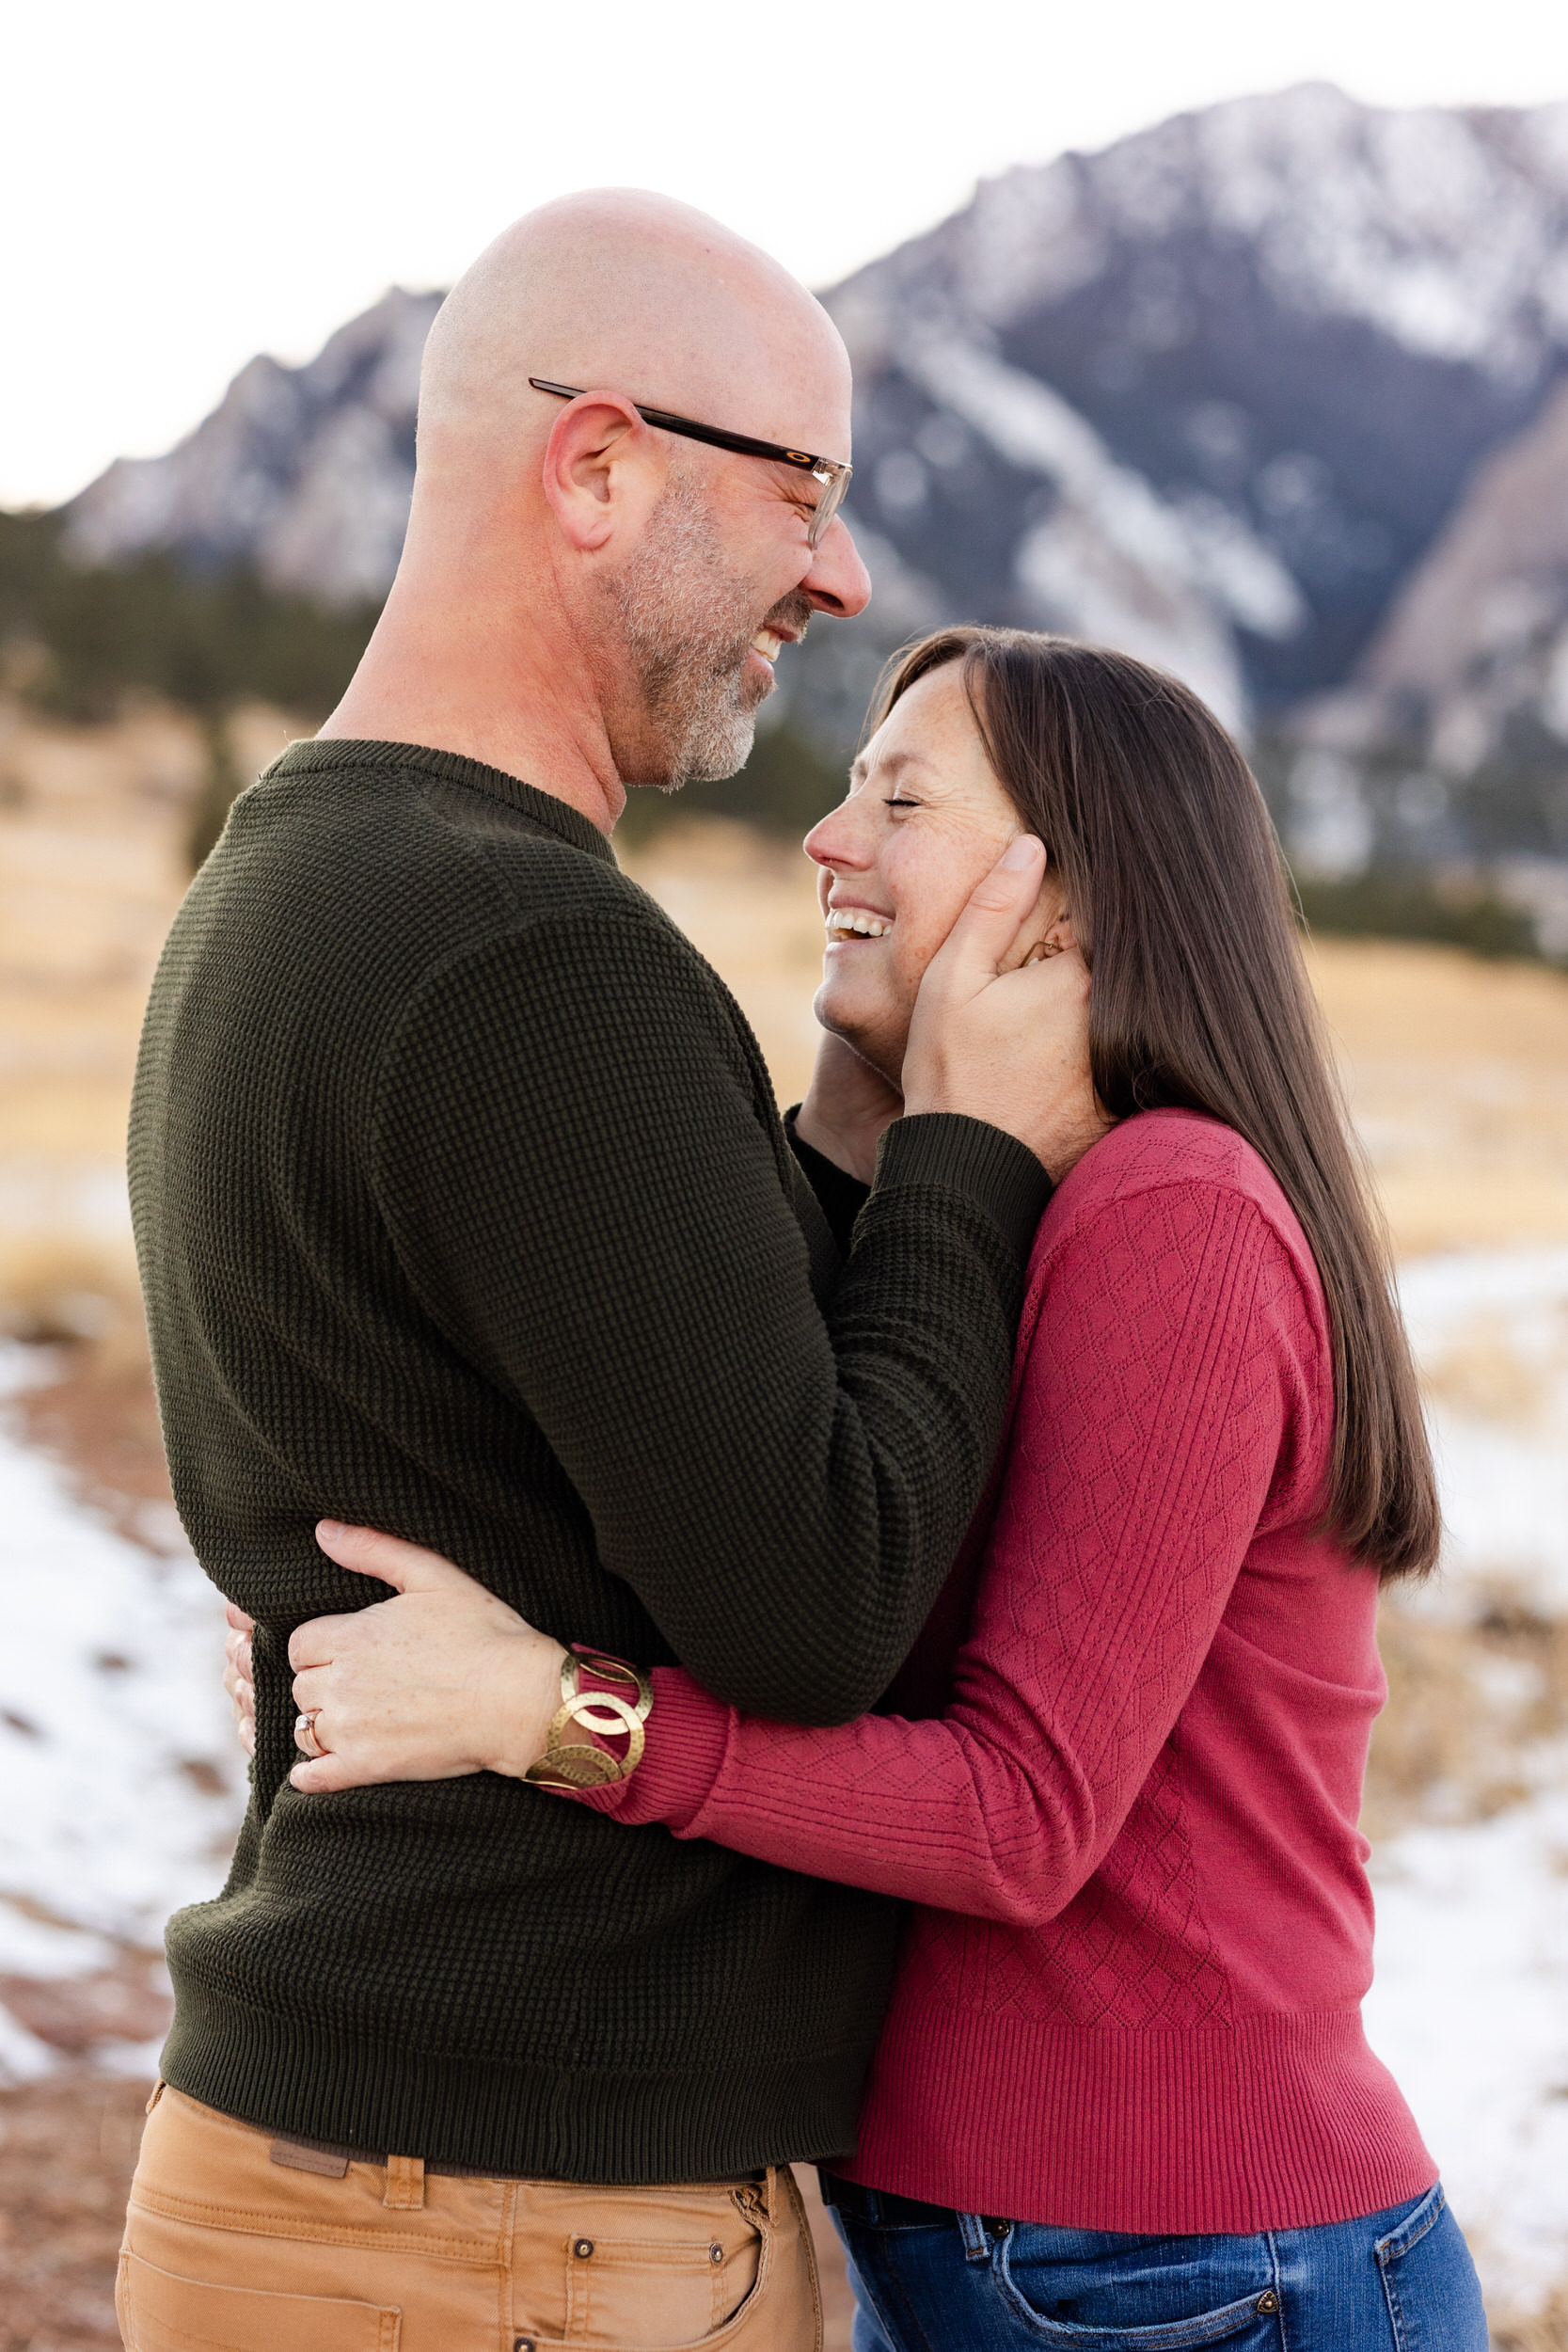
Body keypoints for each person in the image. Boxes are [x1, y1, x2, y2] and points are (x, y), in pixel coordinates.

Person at [261, 630, 1491, 2349]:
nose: (827, 842)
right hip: (1031, 2252)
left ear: (1064, 903)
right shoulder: (995, 1222)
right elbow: (781, 1544)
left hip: (1191, 2266)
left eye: (897, 801)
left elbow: (1017, 1817)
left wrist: (557, 1714)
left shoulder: (1173, 1221)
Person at [121, 196, 1098, 2350]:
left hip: (334, 2157)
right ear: (600, 468)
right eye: (804, 492)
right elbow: (817, 1596)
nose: (839, 579)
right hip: (520, 2218)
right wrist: (968, 1146)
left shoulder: (288, 877)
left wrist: (838, 1140)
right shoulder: (538, 953)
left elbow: (586, 1400)